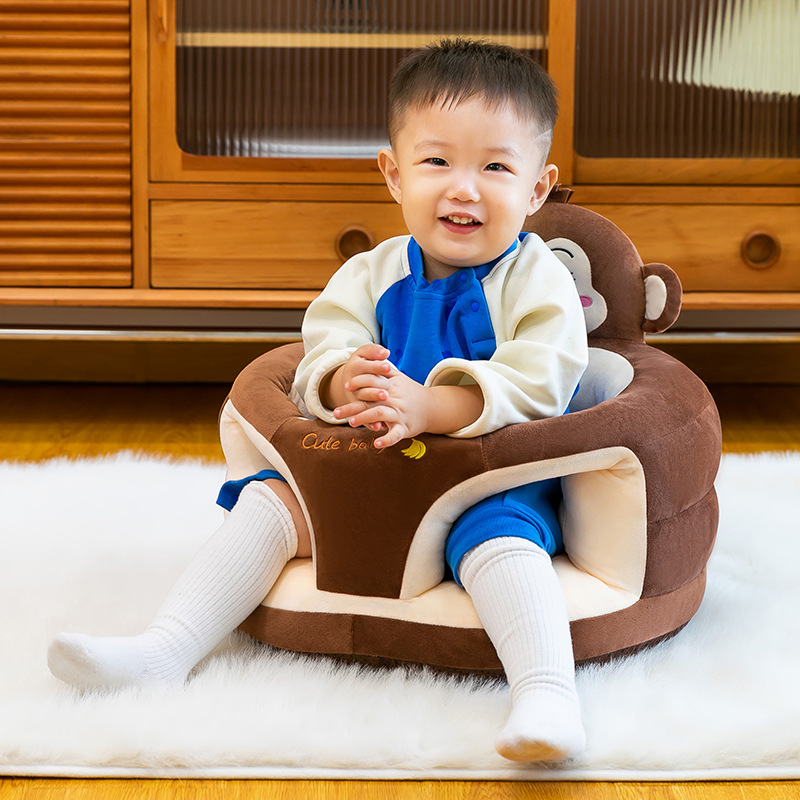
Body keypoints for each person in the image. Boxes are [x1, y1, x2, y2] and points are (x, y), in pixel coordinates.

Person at [48, 38, 589, 763]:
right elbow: (321, 350)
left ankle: (547, 692)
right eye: (437, 162)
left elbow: (544, 377)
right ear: (393, 175)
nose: (464, 187)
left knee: (506, 543)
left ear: (536, 190)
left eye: (495, 166)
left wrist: (433, 408)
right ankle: (164, 650)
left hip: (478, 478)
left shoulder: (536, 280)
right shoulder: (370, 273)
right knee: (271, 502)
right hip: (364, 471)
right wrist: (342, 381)